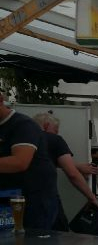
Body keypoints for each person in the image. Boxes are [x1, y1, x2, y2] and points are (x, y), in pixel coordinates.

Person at [0, 91, 59, 229]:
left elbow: (20, 162)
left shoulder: (23, 125)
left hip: (33, 200)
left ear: (1, 100)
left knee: (30, 240)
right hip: (8, 197)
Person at [33, 113, 98, 230]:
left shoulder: (23, 140)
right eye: (56, 130)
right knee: (60, 235)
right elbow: (72, 174)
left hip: (19, 199)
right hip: (45, 200)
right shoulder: (55, 140)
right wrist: (92, 197)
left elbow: (46, 161)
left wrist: (77, 166)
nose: (57, 133)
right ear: (46, 125)